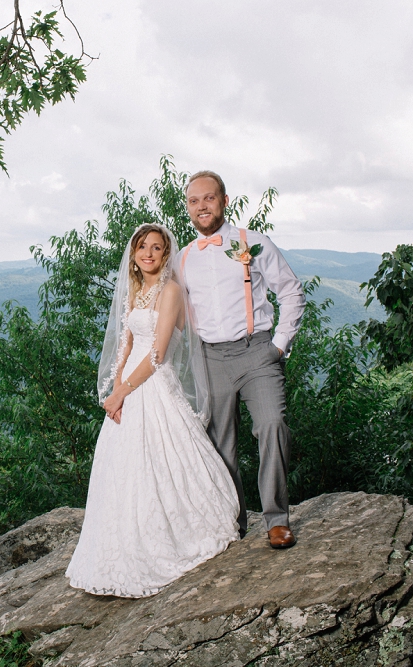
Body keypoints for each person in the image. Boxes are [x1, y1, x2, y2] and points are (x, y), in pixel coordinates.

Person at [65, 223, 241, 598]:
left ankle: (167, 537)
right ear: (133, 254)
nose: (148, 253)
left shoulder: (171, 291)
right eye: (142, 247)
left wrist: (126, 390)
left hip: (153, 384)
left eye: (156, 248)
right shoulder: (137, 290)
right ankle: (118, 542)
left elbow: (158, 353)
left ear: (166, 254)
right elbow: (126, 344)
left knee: (159, 462)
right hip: (128, 387)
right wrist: (116, 389)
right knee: (122, 468)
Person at [180, 170, 305, 549]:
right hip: (209, 358)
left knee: (273, 425)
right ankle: (233, 522)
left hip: (257, 352)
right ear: (188, 208)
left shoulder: (256, 243)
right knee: (220, 445)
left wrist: (279, 345)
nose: (202, 206)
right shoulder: (183, 258)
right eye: (194, 200)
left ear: (224, 201)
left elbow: (292, 291)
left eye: (209, 198)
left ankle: (277, 520)